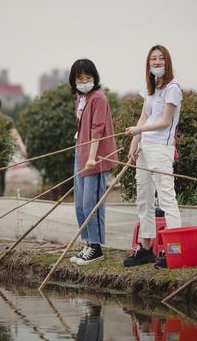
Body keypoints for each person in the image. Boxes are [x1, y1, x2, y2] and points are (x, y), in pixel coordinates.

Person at [123, 44, 183, 268]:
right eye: (152, 59)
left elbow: (165, 121)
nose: (156, 62)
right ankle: (146, 248)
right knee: (144, 197)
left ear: (167, 62)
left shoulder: (173, 88)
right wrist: (134, 143)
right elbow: (143, 117)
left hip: (160, 149)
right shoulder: (150, 89)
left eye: (160, 59)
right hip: (145, 148)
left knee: (167, 198)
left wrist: (140, 131)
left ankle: (174, 251)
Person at [68, 59, 118, 265]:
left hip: (95, 157)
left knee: (92, 203)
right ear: (74, 80)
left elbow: (98, 128)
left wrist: (92, 158)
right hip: (81, 153)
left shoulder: (98, 98)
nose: (84, 81)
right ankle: (87, 242)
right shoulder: (81, 98)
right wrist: (82, 153)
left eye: (88, 78)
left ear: (95, 78)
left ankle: (96, 247)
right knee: (79, 203)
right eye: (80, 78)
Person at [0, 97, 27, 197]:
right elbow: (15, 134)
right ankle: (0, 196)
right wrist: (22, 148)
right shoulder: (7, 119)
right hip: (4, 153)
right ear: (0, 106)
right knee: (1, 176)